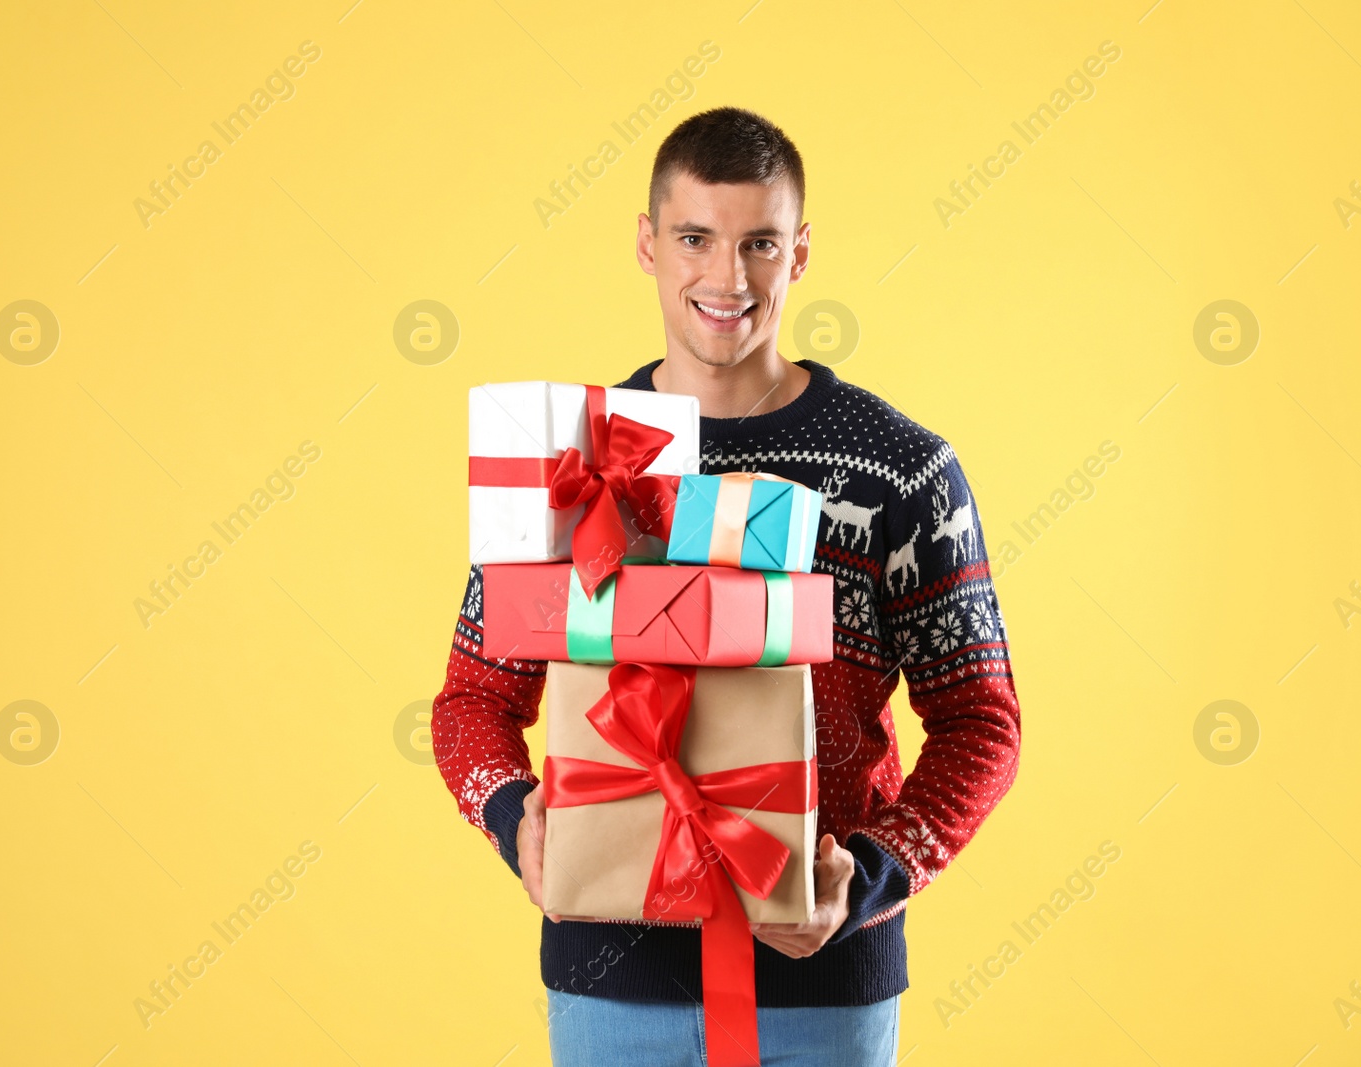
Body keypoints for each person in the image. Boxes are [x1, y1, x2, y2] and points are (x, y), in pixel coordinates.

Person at [433, 106, 1022, 1066]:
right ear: (647, 243)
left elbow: (984, 720)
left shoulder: (901, 469)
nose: (727, 278)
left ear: (798, 255)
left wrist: (872, 876)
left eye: (760, 243)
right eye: (696, 239)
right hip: (609, 980)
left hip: (825, 984)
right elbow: (472, 699)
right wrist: (512, 818)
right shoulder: (564, 465)